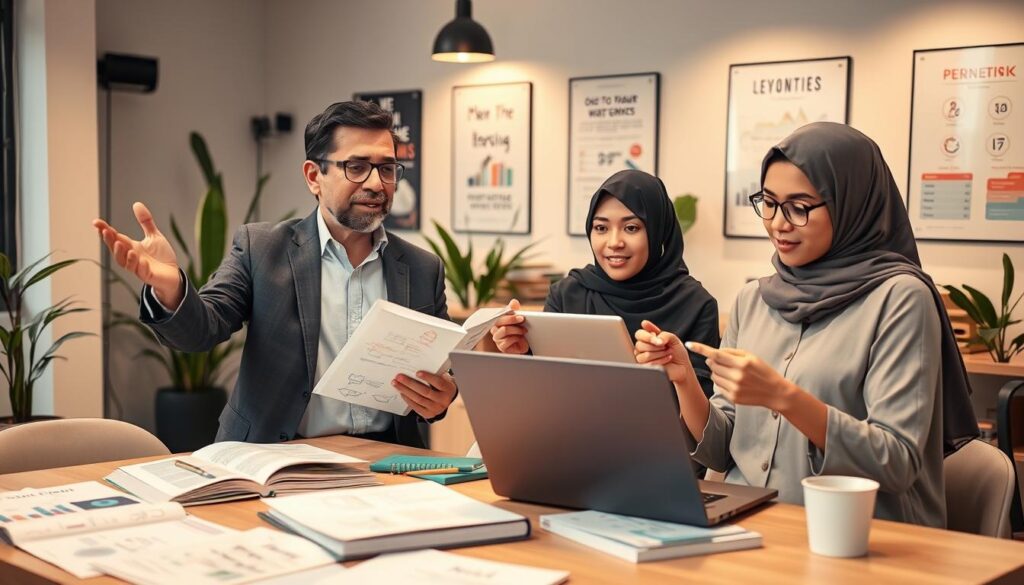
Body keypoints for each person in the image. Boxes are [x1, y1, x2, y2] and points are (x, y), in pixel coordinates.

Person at [633, 122, 978, 527]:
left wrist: (783, 397)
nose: (779, 223)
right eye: (769, 202)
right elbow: (722, 452)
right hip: (753, 527)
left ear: (851, 203)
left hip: (859, 535)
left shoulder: (900, 298)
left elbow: (896, 462)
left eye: (800, 207)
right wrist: (684, 379)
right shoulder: (754, 300)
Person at [93, 101, 457, 448]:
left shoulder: (423, 268)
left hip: (385, 464)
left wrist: (443, 396)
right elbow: (203, 329)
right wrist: (170, 287)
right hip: (276, 457)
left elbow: (442, 374)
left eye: (388, 168)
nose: (377, 183)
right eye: (357, 167)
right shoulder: (262, 248)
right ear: (314, 176)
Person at [490, 169, 720, 396]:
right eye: (601, 228)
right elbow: (542, 395)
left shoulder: (696, 305)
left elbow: (707, 419)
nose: (614, 242)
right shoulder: (567, 294)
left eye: (631, 228)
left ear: (658, 232)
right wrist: (520, 354)